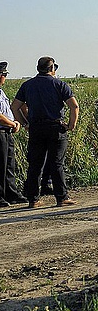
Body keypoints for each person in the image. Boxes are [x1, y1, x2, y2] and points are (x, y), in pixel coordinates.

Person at [11, 56, 79, 208]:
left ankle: (33, 199)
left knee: (35, 164)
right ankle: (61, 197)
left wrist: (24, 123)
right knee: (56, 163)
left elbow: (14, 107)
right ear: (52, 68)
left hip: (36, 128)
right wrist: (71, 125)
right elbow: (74, 106)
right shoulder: (59, 84)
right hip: (56, 128)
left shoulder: (27, 85)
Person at [0, 62, 27, 206]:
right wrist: (12, 123)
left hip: (7, 132)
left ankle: (12, 193)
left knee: (9, 164)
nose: (5, 78)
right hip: (1, 130)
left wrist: (14, 123)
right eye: (4, 75)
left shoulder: (1, 92)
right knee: (1, 164)